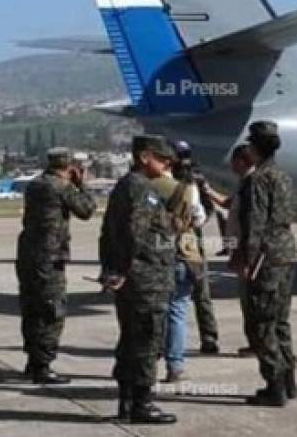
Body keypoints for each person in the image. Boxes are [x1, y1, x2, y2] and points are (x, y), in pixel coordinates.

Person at [99, 135, 178, 424]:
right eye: (162, 157)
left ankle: (128, 402)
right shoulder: (141, 189)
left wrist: (112, 270)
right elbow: (135, 235)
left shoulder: (126, 187)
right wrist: (121, 269)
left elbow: (108, 234)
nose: (168, 163)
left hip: (135, 277)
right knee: (147, 340)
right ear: (144, 157)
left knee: (132, 340)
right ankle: (142, 403)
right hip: (146, 280)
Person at [15, 146, 96, 384]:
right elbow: (87, 210)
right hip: (49, 256)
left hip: (28, 253)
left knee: (31, 306)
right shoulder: (61, 187)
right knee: (52, 309)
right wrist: (82, 184)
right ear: (70, 167)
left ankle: (33, 359)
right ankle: (43, 365)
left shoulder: (36, 184)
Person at [235, 121, 297, 407]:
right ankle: (288, 380)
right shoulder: (283, 176)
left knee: (261, 321)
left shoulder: (258, 179)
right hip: (285, 251)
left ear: (254, 147)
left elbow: (256, 222)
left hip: (266, 256)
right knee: (281, 320)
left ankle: (274, 386)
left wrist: (247, 259)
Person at [152, 146, 206, 383]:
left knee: (154, 309)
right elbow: (200, 218)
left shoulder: (146, 186)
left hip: (155, 252)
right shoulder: (188, 189)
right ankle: (175, 365)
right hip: (183, 251)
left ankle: (150, 358)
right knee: (177, 310)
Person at [202, 143, 257, 357]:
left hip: (247, 252)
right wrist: (207, 191)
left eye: (234, 161)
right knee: (248, 300)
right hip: (240, 249)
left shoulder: (253, 185)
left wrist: (245, 258)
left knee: (252, 300)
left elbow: (253, 225)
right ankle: (255, 342)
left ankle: (258, 344)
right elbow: (228, 204)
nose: (231, 166)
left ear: (242, 162)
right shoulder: (245, 184)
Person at [171, 140, 220, 355]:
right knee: (201, 293)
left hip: (182, 238)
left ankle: (208, 337)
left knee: (189, 294)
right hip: (191, 239)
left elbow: (207, 208)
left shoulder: (175, 179)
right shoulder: (196, 178)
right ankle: (209, 337)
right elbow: (208, 209)